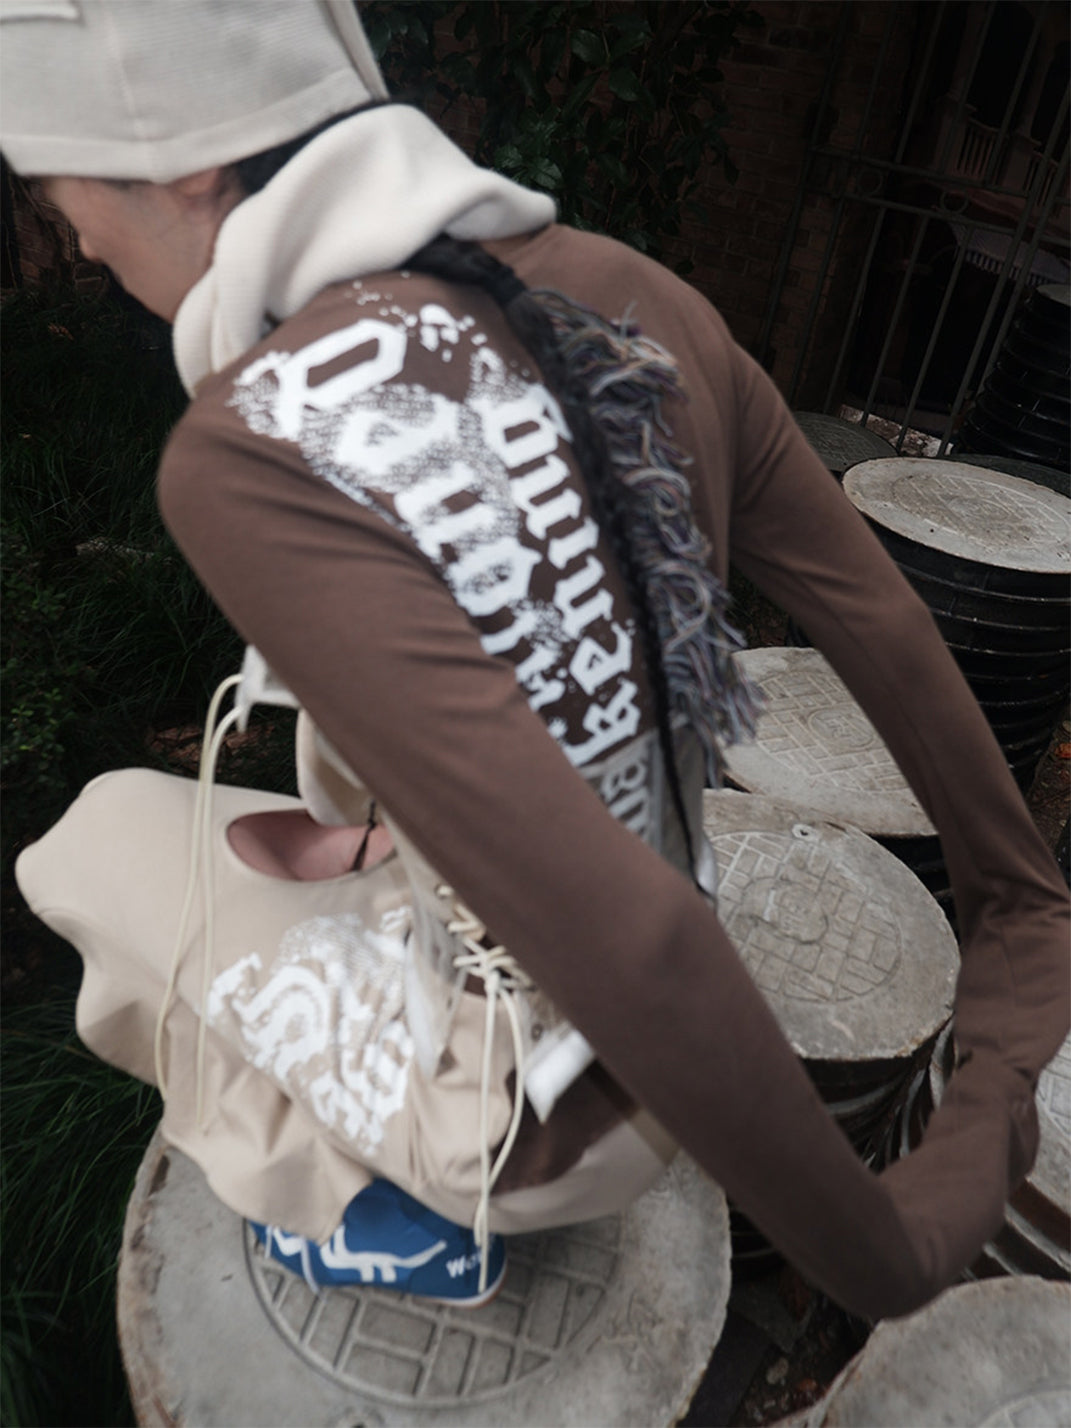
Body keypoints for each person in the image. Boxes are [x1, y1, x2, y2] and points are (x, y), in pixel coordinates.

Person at [4, 0, 1067, 1320]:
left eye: (58, 186)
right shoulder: (636, 292)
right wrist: (1025, 907)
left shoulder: (255, 444)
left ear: (181, 166)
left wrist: (889, 1255)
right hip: (660, 965)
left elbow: (634, 945)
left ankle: (378, 1205)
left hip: (537, 1111)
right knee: (269, 828)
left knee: (95, 839)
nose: (74, 234)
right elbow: (891, 633)